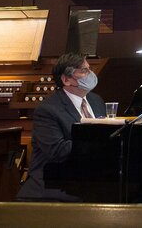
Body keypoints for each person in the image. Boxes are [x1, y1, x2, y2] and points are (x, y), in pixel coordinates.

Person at [17, 53, 107, 201]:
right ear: (66, 80)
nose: (91, 74)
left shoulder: (96, 101)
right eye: (84, 71)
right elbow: (57, 151)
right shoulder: (47, 110)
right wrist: (99, 145)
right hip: (54, 185)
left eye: (89, 69)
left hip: (88, 179)